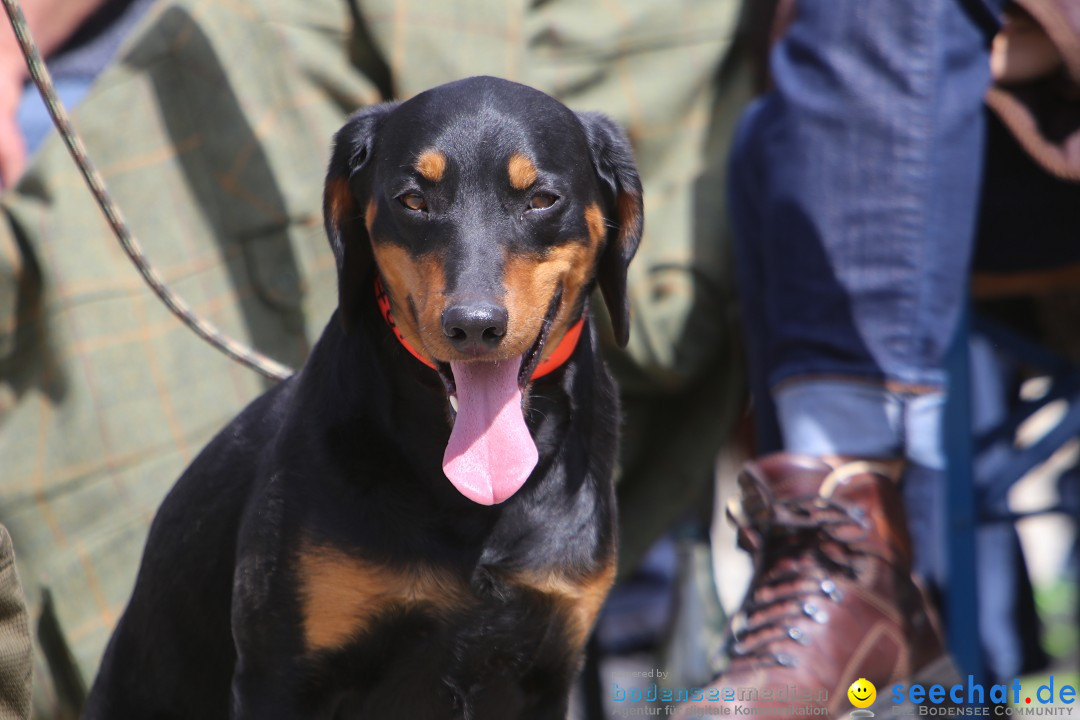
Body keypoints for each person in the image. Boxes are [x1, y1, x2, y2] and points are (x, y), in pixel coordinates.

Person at [0, 0, 751, 715]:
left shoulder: (583, 470)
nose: (474, 307)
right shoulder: (320, 467)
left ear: (612, 222)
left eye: (539, 202)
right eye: (419, 206)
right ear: (353, 220)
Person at [678, 0, 1080, 714]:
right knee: (772, 136)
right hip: (943, 130)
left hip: (1000, 107)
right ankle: (853, 564)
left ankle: (847, 573)